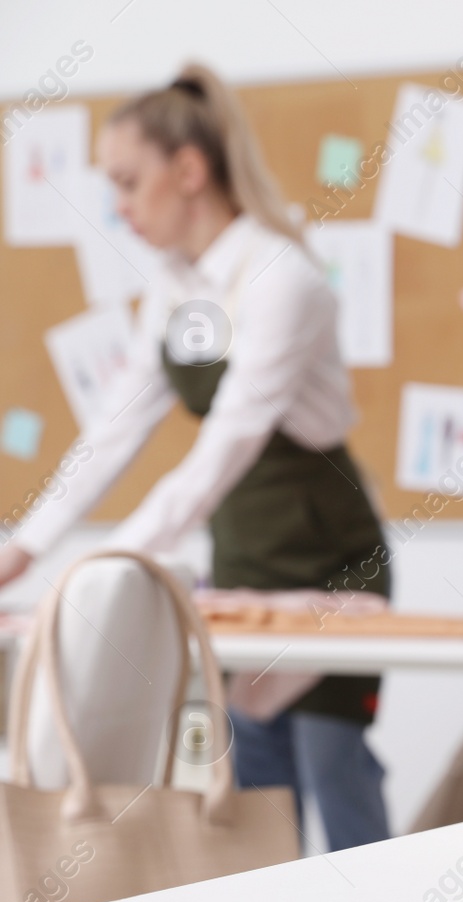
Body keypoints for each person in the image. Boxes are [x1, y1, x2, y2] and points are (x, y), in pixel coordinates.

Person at [0, 63, 391, 851]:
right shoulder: (173, 292)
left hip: (331, 557)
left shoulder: (283, 279)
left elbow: (223, 449)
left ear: (188, 170)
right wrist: (24, 546)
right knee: (246, 781)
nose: (119, 206)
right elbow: (111, 430)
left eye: (128, 182)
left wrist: (106, 568)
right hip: (244, 555)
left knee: (333, 762)